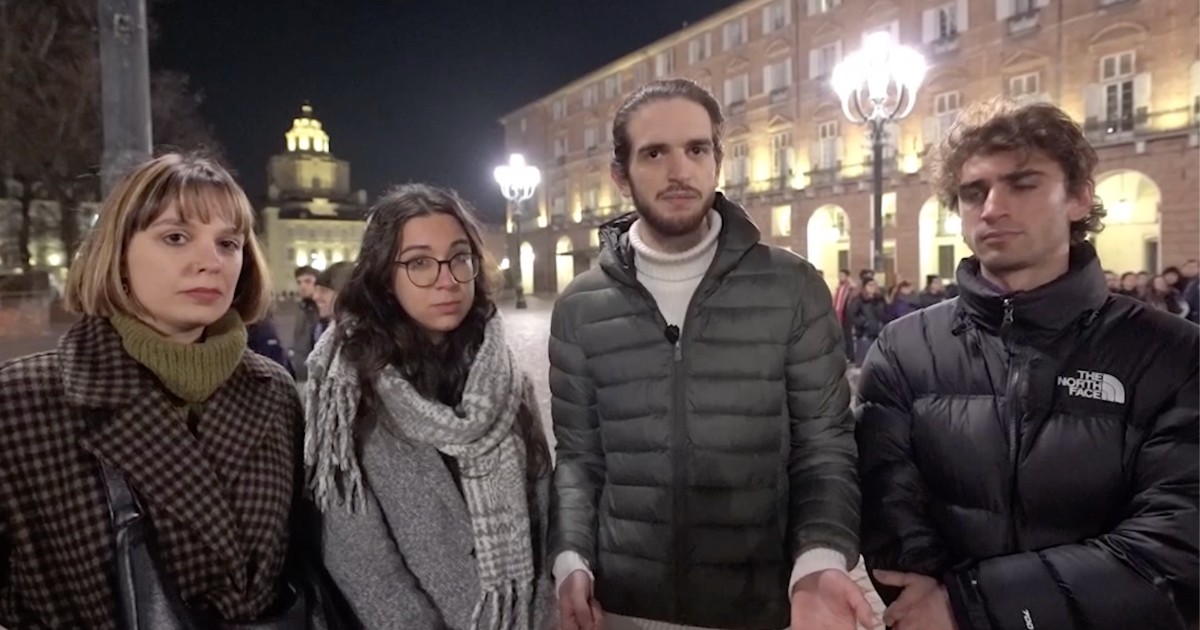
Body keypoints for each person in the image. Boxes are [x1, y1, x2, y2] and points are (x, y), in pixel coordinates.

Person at [550, 78, 880, 630]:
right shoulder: (580, 307)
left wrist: (818, 562)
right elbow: (579, 460)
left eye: (696, 149)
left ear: (717, 161)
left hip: (764, 605)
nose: (679, 170)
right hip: (625, 607)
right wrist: (571, 559)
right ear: (619, 174)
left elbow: (825, 449)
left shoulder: (792, 286)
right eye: (654, 153)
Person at [856, 99, 1198, 630]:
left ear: (1079, 196)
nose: (992, 207)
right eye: (974, 192)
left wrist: (973, 607)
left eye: (1023, 183)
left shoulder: (1173, 353)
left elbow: (1179, 540)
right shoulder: (904, 348)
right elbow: (886, 502)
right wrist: (929, 597)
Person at [0, 154, 313, 628]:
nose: (210, 261)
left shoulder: (274, 393)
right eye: (176, 237)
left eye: (228, 243)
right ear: (118, 253)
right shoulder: (19, 403)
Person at [304, 183, 554, 629]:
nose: (448, 278)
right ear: (384, 276)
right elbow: (361, 565)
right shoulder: (347, 388)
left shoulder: (505, 376)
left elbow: (543, 510)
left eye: (460, 257)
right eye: (419, 262)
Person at [291, 265, 321, 381]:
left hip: (315, 377)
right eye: (299, 283)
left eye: (308, 281)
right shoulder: (302, 309)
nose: (302, 286)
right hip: (301, 376)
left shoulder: (322, 311)